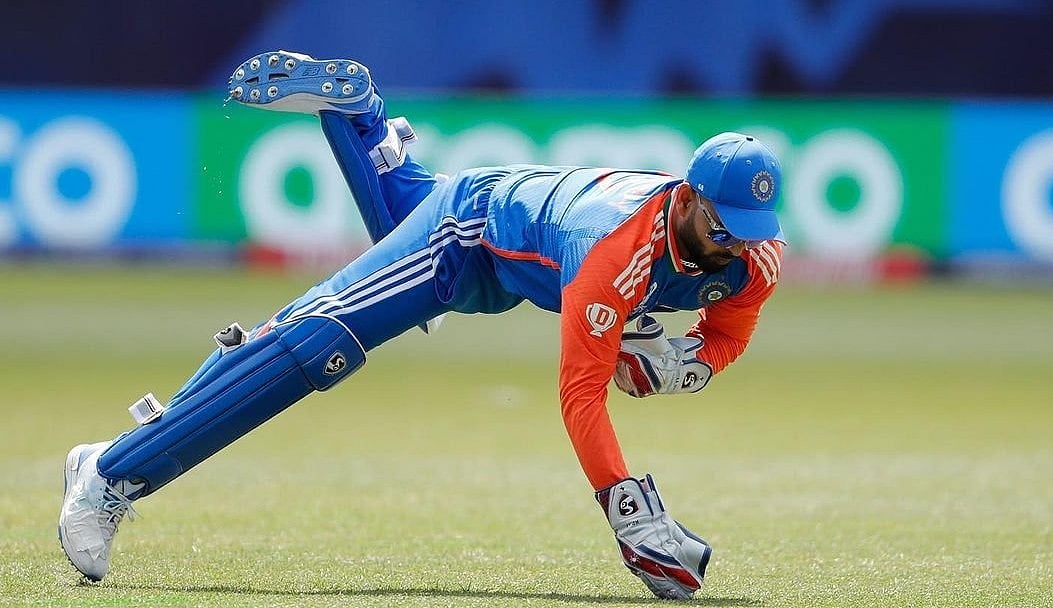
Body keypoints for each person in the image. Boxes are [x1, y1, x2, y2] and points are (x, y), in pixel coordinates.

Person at [59, 50, 785, 600]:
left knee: (392, 222)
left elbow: (731, 331)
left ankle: (360, 117)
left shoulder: (754, 254)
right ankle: (110, 472)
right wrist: (629, 510)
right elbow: (579, 395)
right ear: (687, 199)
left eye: (749, 232)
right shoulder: (613, 258)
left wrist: (692, 366)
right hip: (468, 237)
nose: (734, 245)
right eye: (723, 226)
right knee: (322, 343)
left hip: (510, 245)